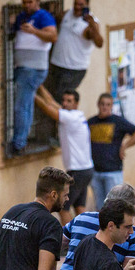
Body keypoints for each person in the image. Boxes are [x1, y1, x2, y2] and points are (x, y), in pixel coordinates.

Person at [35, 86, 94, 223]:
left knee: (63, 208)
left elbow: (48, 108)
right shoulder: (77, 116)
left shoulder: (70, 117)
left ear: (76, 104)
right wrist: (40, 86)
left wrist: (32, 94)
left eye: (69, 101)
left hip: (77, 171)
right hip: (86, 170)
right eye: (64, 100)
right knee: (79, 208)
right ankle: (84, 239)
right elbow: (50, 101)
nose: (65, 103)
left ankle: (70, 242)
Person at [10, 0, 57, 155]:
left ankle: (19, 143)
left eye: (30, 2)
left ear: (37, 1)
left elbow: (53, 36)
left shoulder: (43, 16)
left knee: (22, 106)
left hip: (33, 68)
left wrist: (35, 31)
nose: (27, 5)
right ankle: (21, 140)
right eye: (25, 2)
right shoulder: (22, 16)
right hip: (23, 68)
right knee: (26, 103)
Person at [88, 93, 135, 208]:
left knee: (114, 206)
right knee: (100, 208)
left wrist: (125, 146)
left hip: (113, 171)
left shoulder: (118, 121)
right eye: (102, 104)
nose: (104, 107)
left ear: (111, 106)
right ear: (98, 105)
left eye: (108, 104)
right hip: (95, 171)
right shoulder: (91, 122)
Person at [48, 0, 104, 96]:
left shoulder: (91, 23)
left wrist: (92, 25)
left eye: (81, 5)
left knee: (61, 99)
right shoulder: (67, 14)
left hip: (74, 69)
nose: (77, 7)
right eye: (75, 4)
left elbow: (100, 43)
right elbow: (55, 21)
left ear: (87, 5)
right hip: (57, 64)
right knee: (52, 96)